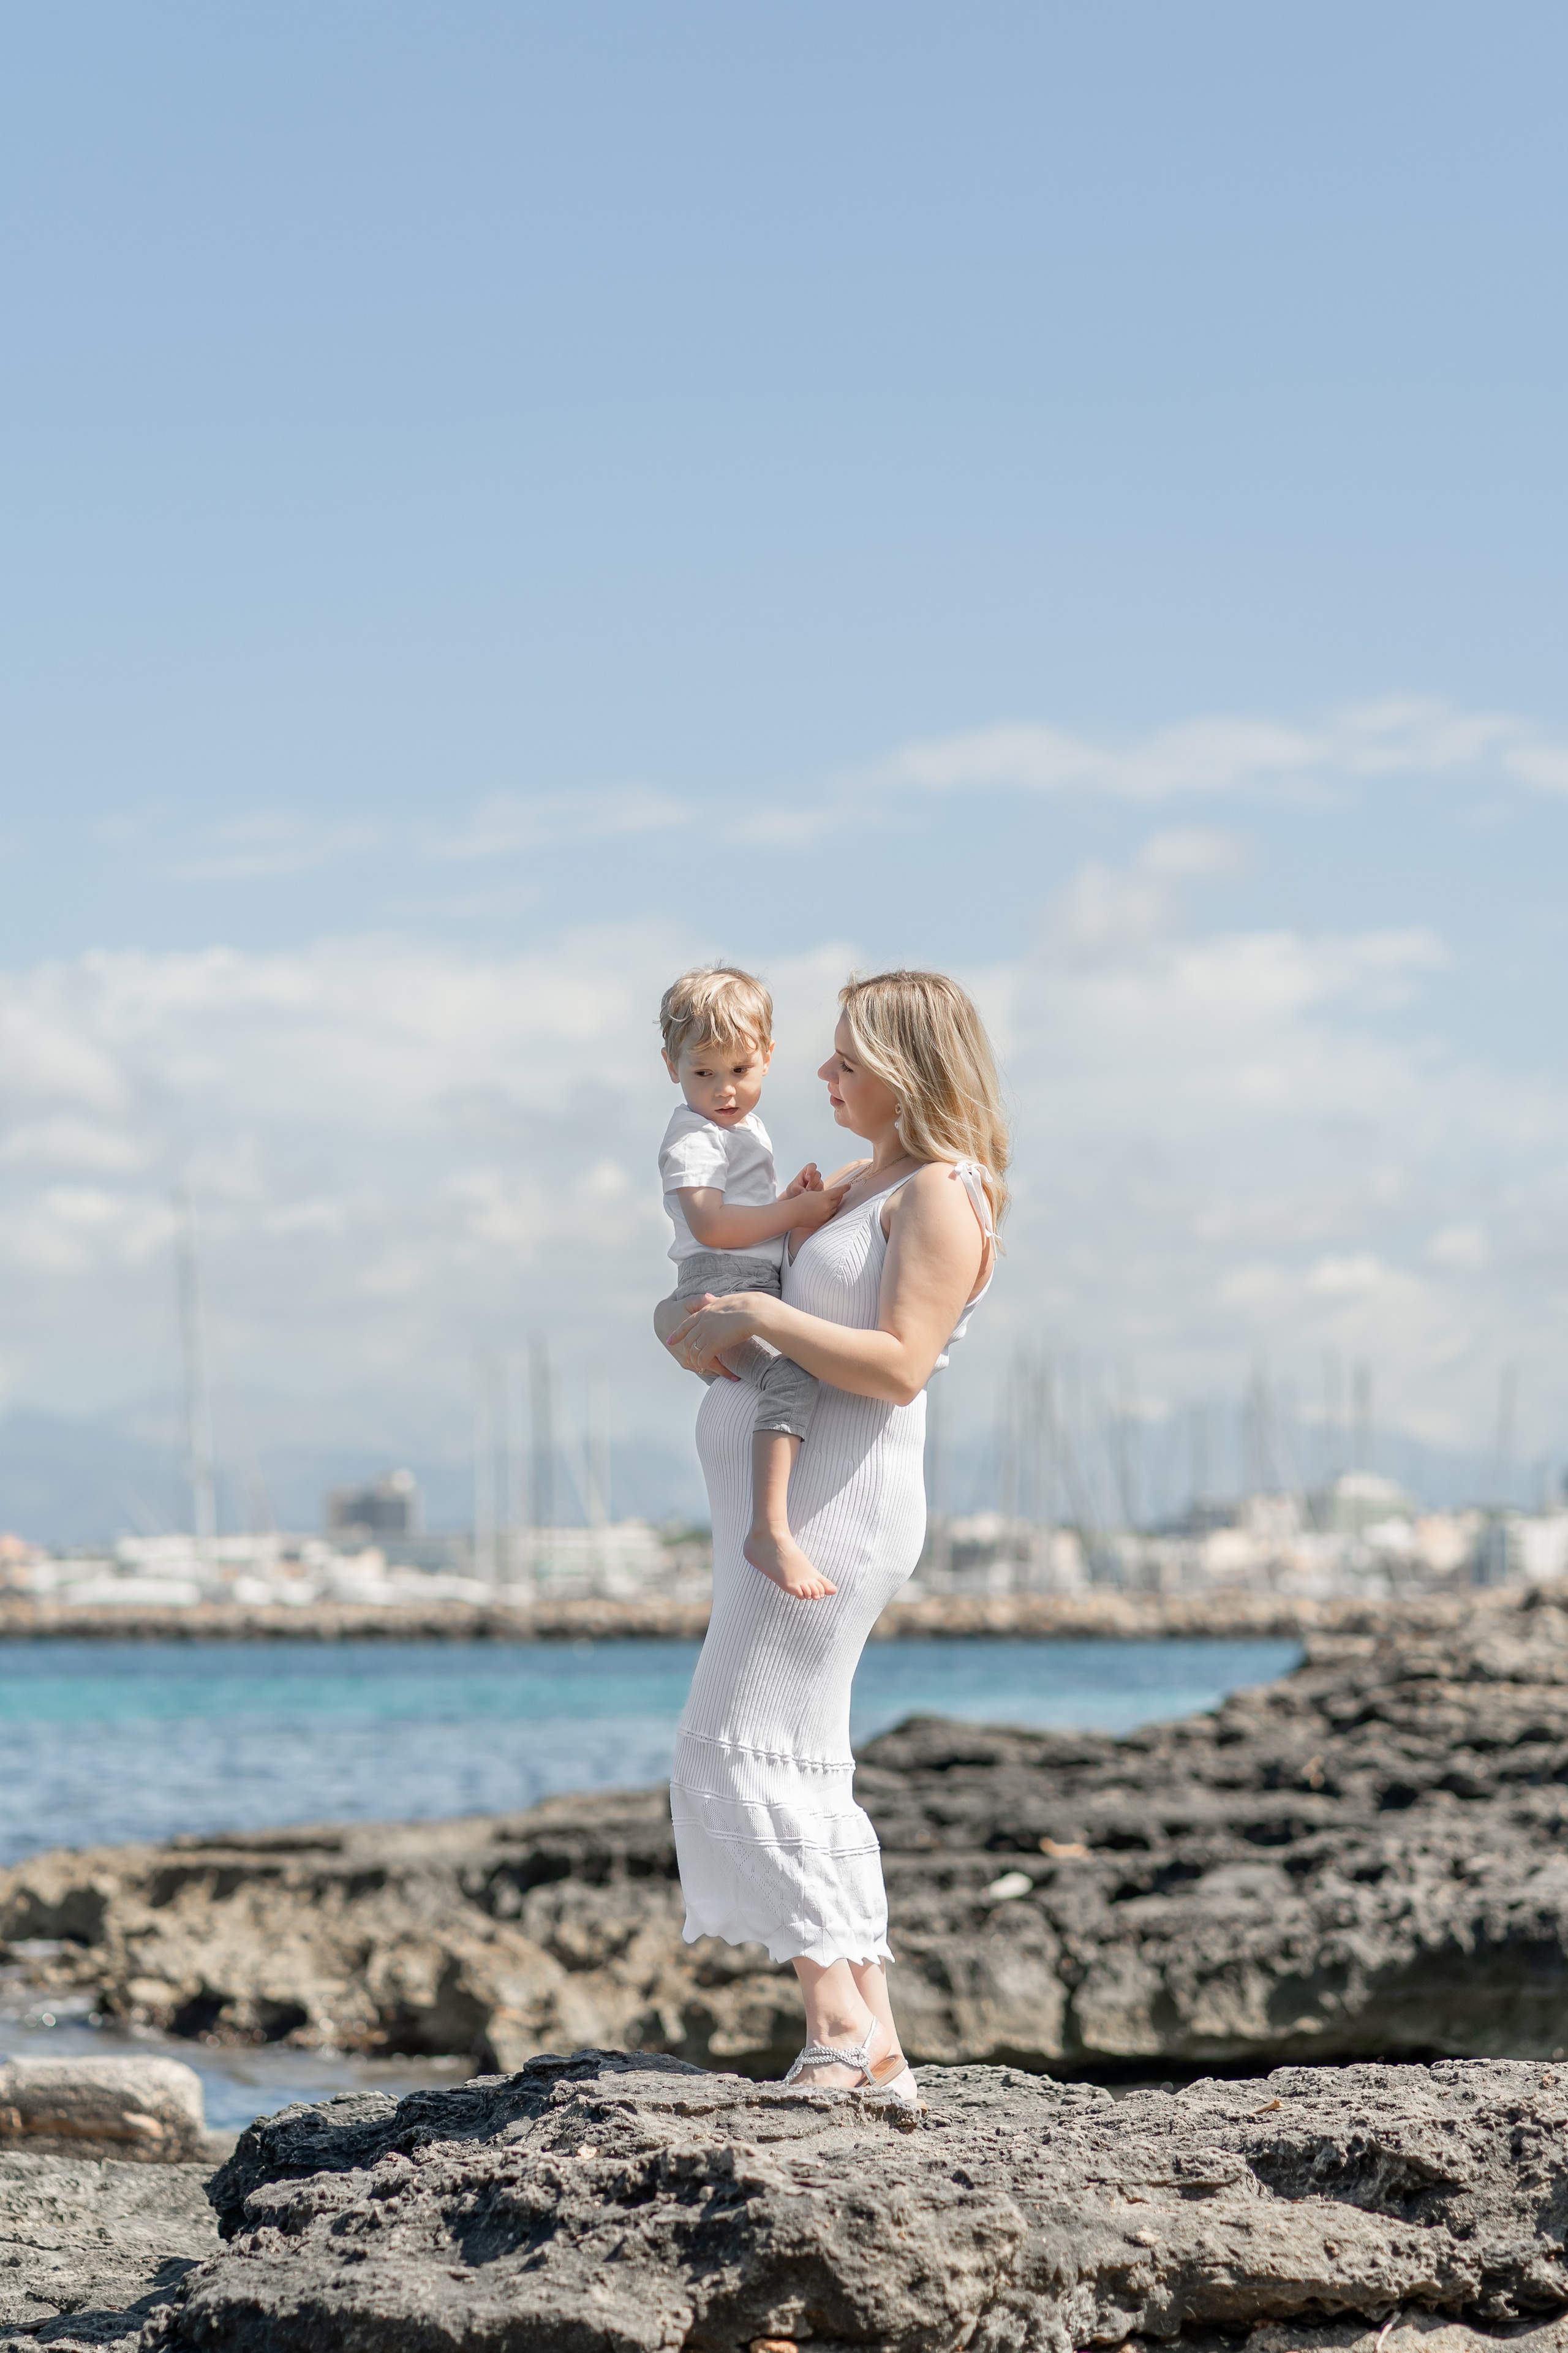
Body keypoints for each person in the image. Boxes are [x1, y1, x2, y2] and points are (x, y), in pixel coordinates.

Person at [660, 969, 1008, 2102]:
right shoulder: (864, 1182)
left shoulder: (943, 1193)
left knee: (734, 1744)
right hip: (787, 1500)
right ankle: (880, 2042)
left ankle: (833, 2022)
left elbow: (900, 1365)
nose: (823, 1076)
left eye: (847, 1059)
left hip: (839, 1503)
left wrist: (764, 1316)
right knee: (806, 1762)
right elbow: (734, 1273)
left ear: (908, 1068)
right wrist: (700, 1322)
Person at [657, 965, 850, 1600]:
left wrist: (782, 1201)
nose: (724, 1090)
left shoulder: (739, 1130)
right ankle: (768, 1529)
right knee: (790, 1373)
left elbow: (744, 1210)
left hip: (749, 1276)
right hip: (722, 1278)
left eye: (739, 1071)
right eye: (701, 1073)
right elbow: (710, 1223)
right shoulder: (693, 1137)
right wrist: (790, 1214)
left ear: (767, 1058)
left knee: (787, 1368)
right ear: (671, 1067)